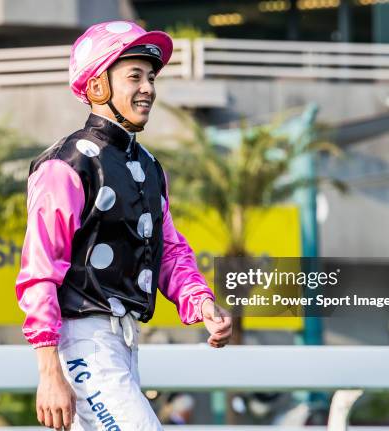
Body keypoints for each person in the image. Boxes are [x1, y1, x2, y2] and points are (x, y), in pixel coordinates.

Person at [15, 20, 232, 431]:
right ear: (97, 86)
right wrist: (48, 373)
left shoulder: (148, 166)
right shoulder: (65, 165)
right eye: (134, 76)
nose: (148, 87)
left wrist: (202, 303)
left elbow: (169, 250)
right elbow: (39, 271)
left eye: (151, 77)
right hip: (82, 344)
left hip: (125, 341)